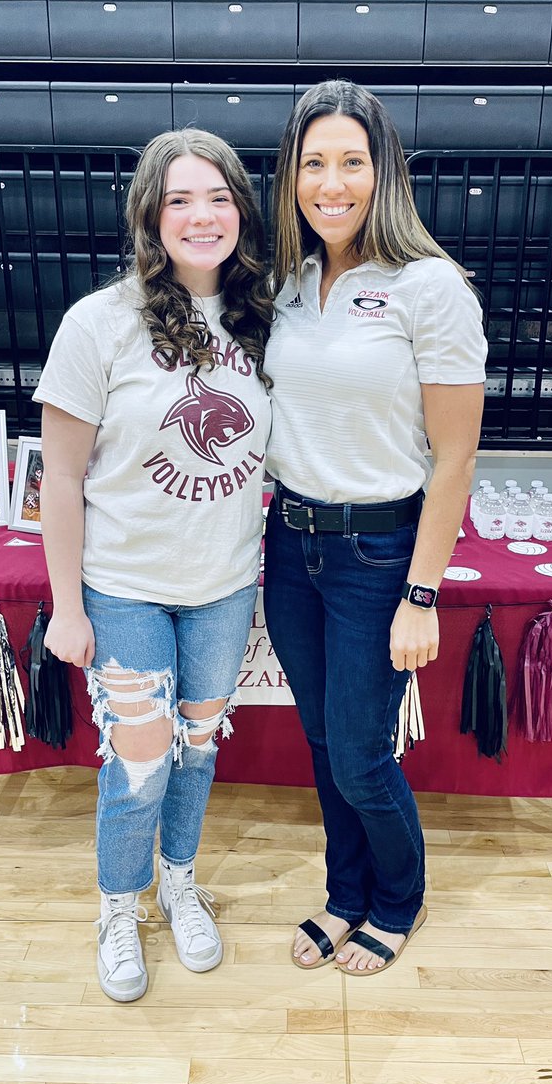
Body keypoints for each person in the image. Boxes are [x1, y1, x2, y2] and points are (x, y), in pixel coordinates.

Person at [34, 129, 273, 1003]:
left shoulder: (265, 318)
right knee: (139, 762)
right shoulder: (100, 322)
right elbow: (60, 478)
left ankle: (179, 883)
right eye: (179, 199)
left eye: (217, 197)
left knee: (198, 753)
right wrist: (67, 607)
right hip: (126, 585)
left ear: (241, 211)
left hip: (222, 586)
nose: (201, 215)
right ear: (150, 215)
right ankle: (117, 906)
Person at [263, 80, 487, 976]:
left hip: (377, 554)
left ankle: (397, 900)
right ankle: (344, 893)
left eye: (351, 161)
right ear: (293, 176)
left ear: (381, 172)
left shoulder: (430, 288)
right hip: (292, 547)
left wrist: (421, 593)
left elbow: (458, 459)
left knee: (360, 757)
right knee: (322, 742)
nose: (331, 181)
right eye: (314, 162)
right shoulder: (288, 281)